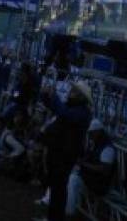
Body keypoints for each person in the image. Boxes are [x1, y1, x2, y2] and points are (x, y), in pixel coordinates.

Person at [40, 80, 93, 221]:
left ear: (81, 96)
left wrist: (54, 96)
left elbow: (63, 112)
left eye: (75, 91)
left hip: (65, 155)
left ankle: (55, 218)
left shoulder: (83, 112)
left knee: (58, 189)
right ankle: (52, 217)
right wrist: (46, 95)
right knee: (56, 187)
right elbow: (55, 107)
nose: (71, 92)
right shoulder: (74, 108)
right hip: (59, 151)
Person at [65, 119, 116, 218]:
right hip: (91, 178)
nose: (90, 136)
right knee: (67, 173)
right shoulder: (96, 144)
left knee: (73, 180)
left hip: (99, 183)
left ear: (98, 132)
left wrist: (84, 164)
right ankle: (53, 201)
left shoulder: (107, 149)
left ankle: (69, 212)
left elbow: (104, 170)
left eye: (92, 133)